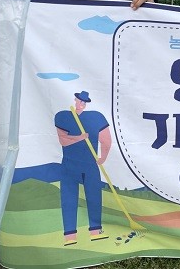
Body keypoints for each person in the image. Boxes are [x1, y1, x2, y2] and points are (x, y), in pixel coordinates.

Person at [54, 90, 112, 246]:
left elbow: (106, 140)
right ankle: (70, 235)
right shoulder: (63, 116)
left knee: (94, 197)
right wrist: (80, 137)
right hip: (69, 164)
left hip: (90, 164)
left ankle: (95, 231)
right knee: (69, 198)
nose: (81, 103)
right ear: (75, 100)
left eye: (84, 101)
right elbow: (63, 140)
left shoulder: (96, 117)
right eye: (80, 100)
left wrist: (103, 158)